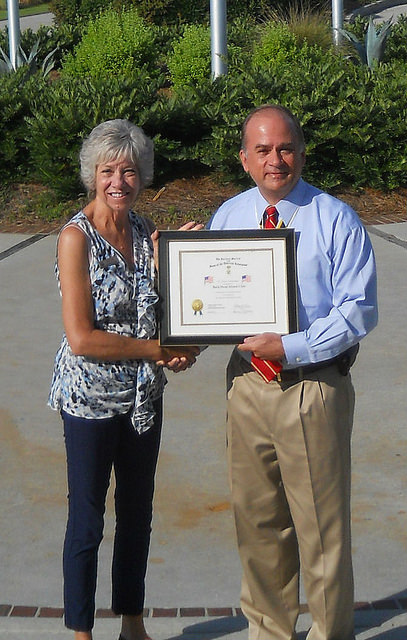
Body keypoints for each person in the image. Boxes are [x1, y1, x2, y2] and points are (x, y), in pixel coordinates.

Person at [208, 104, 378, 640]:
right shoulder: (229, 217)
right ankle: (269, 631)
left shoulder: (335, 218)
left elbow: (359, 309)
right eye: (262, 150)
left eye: (285, 148)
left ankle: (331, 633)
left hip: (312, 386)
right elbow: (208, 298)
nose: (275, 160)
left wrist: (293, 345)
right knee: (258, 523)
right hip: (247, 384)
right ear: (244, 159)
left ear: (302, 153)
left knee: (321, 530)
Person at [48, 119, 200, 640]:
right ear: (92, 173)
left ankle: (132, 624)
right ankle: (81, 632)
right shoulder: (75, 238)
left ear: (143, 177)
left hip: (142, 399)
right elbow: (82, 338)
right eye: (109, 170)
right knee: (88, 519)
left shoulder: (144, 232)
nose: (119, 181)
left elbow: (161, 312)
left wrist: (186, 266)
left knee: (137, 513)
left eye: (130, 171)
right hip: (89, 398)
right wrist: (158, 350)